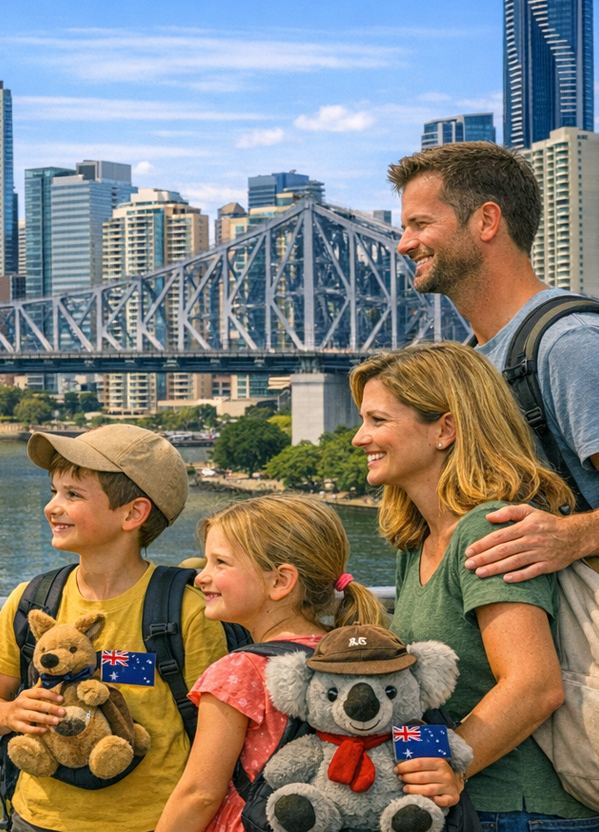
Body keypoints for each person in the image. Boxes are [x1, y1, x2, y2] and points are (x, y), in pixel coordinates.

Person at [350, 341, 599, 829]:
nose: (360, 438)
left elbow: (534, 686)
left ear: (445, 429)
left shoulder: (486, 529)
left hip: (521, 812)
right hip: (468, 808)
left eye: (378, 421)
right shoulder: (416, 542)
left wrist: (451, 765)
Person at [0, 424, 227, 832]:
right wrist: (10, 713)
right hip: (36, 818)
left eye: (73, 495)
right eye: (54, 491)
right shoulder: (33, 599)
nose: (52, 507)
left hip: (150, 821)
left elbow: (214, 749)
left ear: (133, 513)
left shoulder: (185, 612)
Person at [156, 494, 436, 832]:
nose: (201, 576)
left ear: (280, 581)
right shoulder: (360, 660)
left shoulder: (238, 672)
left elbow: (200, 794)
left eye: (220, 563)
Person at [388, 141, 599, 582]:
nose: (404, 244)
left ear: (486, 220)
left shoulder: (568, 343)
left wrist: (573, 535)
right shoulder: (469, 360)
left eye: (420, 224)